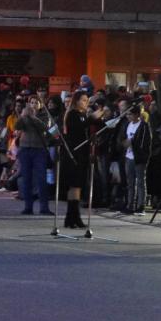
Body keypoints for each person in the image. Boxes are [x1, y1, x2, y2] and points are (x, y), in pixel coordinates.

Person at [61, 91, 98, 228]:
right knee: (74, 185)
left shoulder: (83, 115)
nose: (86, 102)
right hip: (74, 153)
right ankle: (73, 216)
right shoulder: (72, 115)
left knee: (77, 186)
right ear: (76, 101)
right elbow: (77, 129)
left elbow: (87, 128)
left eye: (87, 100)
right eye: (83, 100)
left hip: (82, 153)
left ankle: (71, 217)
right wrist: (92, 118)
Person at [122, 104, 152, 215]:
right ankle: (130, 204)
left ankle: (141, 206)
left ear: (136, 115)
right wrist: (124, 143)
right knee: (130, 182)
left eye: (130, 114)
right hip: (128, 156)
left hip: (139, 158)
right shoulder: (127, 124)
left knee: (140, 182)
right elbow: (123, 137)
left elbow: (145, 143)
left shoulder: (144, 126)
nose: (128, 116)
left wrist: (132, 142)